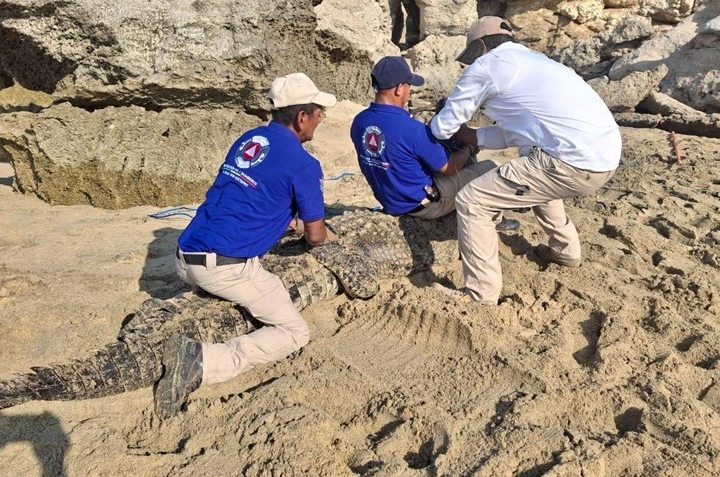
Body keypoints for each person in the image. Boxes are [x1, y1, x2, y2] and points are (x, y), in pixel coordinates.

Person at [154, 73, 337, 419]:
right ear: (302, 117)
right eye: (319, 113)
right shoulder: (304, 165)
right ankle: (201, 363)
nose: (321, 119)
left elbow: (252, 195)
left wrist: (287, 221)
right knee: (295, 332)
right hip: (223, 267)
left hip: (184, 255)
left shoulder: (249, 139)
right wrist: (324, 234)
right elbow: (315, 237)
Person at [429, 16, 622, 305]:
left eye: (472, 56)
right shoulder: (541, 64)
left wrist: (436, 121)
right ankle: (566, 251)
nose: (471, 62)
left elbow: (443, 128)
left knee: (472, 200)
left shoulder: (486, 66)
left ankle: (480, 295)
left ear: (480, 47)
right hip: (604, 159)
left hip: (570, 163)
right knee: (531, 164)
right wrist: (473, 137)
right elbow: (521, 133)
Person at [351, 56, 513, 224]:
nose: (410, 91)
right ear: (399, 88)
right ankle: (494, 221)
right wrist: (470, 147)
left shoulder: (359, 121)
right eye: (409, 85)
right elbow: (449, 168)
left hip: (391, 200)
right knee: (491, 169)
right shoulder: (411, 129)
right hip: (423, 205)